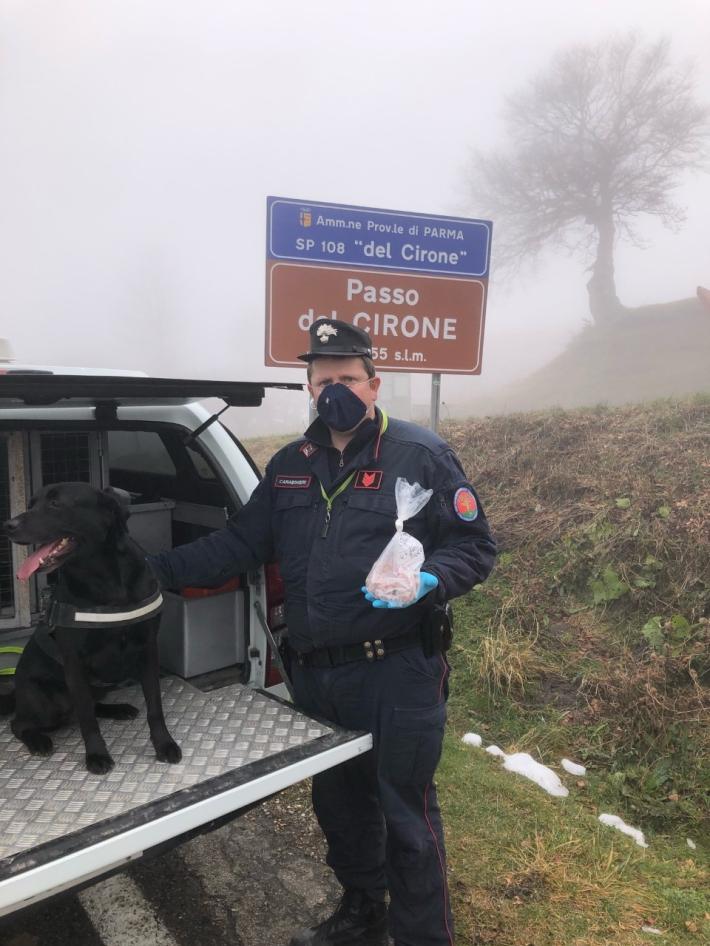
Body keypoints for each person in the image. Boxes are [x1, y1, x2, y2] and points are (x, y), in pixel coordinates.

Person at [148, 319, 496, 946]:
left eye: (349, 378)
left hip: (398, 669)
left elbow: (475, 547)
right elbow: (239, 544)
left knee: (407, 815)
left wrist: (430, 580)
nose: (336, 390)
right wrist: (153, 571)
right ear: (309, 387)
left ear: (373, 384)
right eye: (324, 379)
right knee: (340, 804)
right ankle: (364, 912)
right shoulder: (290, 466)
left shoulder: (421, 455)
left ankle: (423, 937)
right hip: (316, 672)